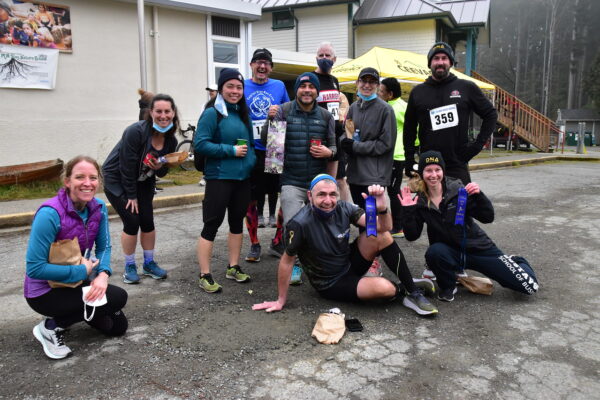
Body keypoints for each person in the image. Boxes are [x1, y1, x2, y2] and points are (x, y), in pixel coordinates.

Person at [252, 174, 437, 316]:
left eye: (333, 194)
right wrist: (280, 300)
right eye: (321, 194)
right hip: (331, 283)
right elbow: (287, 261)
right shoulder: (299, 224)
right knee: (386, 289)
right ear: (310, 196)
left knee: (379, 235)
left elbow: (383, 228)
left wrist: (381, 208)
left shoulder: (343, 207)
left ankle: (413, 292)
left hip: (350, 263)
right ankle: (402, 286)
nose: (328, 200)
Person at [24, 156, 128, 360]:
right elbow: (34, 268)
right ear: (67, 181)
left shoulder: (98, 207)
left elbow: (104, 246)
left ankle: (66, 315)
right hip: (45, 292)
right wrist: (83, 271)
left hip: (75, 282)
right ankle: (50, 327)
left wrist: (103, 275)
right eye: (80, 177)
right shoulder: (49, 214)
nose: (87, 183)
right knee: (117, 297)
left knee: (117, 326)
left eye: (93, 177)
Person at [399, 151, 539, 301]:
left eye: (437, 170)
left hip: (479, 249)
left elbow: (487, 217)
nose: (433, 175)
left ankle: (516, 260)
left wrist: (479, 196)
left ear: (443, 171)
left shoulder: (459, 191)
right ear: (422, 173)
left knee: (529, 286)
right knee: (434, 253)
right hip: (452, 254)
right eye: (428, 170)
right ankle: (448, 286)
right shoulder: (420, 201)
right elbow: (412, 236)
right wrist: (408, 211)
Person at [262, 72, 337, 285]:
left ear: (316, 91)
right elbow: (271, 146)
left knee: (321, 226)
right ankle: (294, 265)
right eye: (302, 86)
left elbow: (334, 147)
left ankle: (318, 264)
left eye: (311, 86)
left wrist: (328, 152)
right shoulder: (283, 111)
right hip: (291, 181)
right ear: (296, 90)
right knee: (292, 226)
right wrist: (269, 121)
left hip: (317, 183)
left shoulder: (325, 116)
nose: (306, 90)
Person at [102, 94, 179, 284]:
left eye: (167, 111)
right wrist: (131, 195)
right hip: (118, 180)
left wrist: (159, 168)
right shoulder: (135, 132)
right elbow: (126, 166)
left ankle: (149, 263)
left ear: (173, 113)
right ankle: (129, 266)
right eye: (158, 111)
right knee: (132, 219)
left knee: (147, 221)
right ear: (151, 112)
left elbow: (162, 174)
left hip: (144, 181)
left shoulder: (171, 141)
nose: (163, 115)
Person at [194, 68, 257, 293]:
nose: (235, 91)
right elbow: (200, 144)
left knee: (236, 223)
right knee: (211, 224)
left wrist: (250, 161)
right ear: (221, 89)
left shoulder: (242, 112)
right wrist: (230, 150)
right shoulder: (213, 113)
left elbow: (249, 143)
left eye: (239, 87)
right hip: (219, 177)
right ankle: (205, 274)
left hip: (242, 179)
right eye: (230, 86)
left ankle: (233, 266)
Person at [403, 42, 498, 185]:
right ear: (430, 64)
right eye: (436, 59)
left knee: (461, 206)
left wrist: (476, 146)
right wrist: (409, 159)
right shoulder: (418, 92)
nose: (440, 62)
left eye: (444, 58)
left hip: (457, 163)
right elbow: (409, 128)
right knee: (428, 206)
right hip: (429, 165)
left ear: (451, 62)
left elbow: (490, 114)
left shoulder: (466, 87)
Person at [243, 48, 290, 263]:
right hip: (251, 147)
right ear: (251, 65)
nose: (262, 66)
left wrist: (278, 109)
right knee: (251, 198)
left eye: (266, 63)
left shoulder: (279, 86)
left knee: (279, 193)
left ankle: (277, 240)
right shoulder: (242, 85)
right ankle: (254, 243)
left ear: (271, 67)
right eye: (258, 62)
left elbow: (289, 109)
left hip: (275, 144)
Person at [314, 41, 351, 202]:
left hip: (336, 137)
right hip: (318, 137)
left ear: (334, 59)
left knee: (340, 179)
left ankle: (345, 215)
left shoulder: (334, 80)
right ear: (316, 58)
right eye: (321, 55)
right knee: (321, 181)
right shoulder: (310, 78)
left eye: (327, 55)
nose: (324, 58)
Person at [378, 77, 411, 238]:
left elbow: (413, 129)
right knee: (390, 191)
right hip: (394, 155)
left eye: (381, 91)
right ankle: (394, 223)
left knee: (392, 191)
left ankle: (398, 227)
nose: (379, 93)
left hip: (395, 156)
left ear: (390, 94)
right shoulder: (401, 105)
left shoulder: (395, 108)